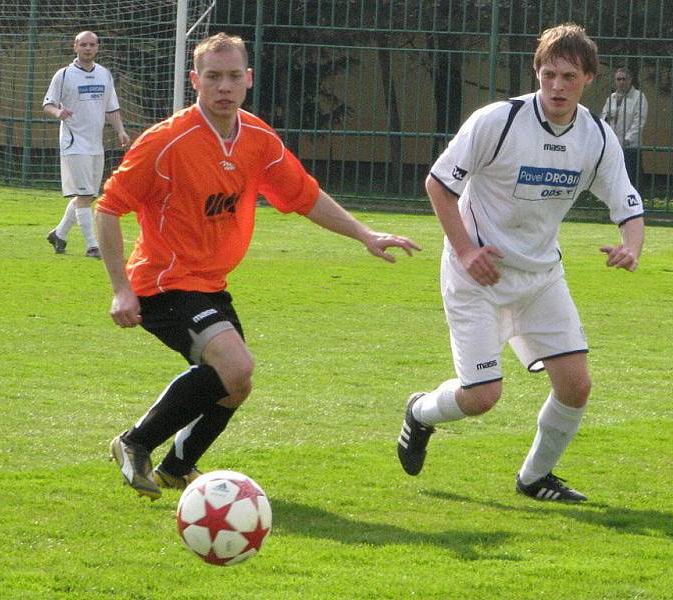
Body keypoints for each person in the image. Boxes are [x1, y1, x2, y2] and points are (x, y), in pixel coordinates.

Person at [96, 32, 421, 500]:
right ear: (195, 81)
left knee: (237, 384)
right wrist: (120, 288)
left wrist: (365, 234)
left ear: (248, 80)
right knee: (235, 364)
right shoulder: (166, 141)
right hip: (163, 282)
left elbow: (304, 195)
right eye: (213, 77)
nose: (223, 87)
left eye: (233, 77)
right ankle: (135, 442)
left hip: (210, 285)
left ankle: (175, 468)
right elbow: (108, 208)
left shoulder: (257, 138)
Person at [397, 23, 644, 503]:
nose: (556, 86)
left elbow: (628, 205)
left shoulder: (595, 136)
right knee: (482, 397)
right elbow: (439, 184)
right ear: (537, 72)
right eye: (548, 74)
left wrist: (631, 246)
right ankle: (420, 412)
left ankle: (535, 478)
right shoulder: (498, 120)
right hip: (477, 277)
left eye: (568, 76)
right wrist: (467, 251)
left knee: (576, 386)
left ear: (588, 78)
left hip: (541, 278)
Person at [43, 30, 130, 259]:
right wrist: (58, 112)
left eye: (92, 45)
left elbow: (111, 107)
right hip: (73, 142)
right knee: (84, 195)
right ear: (75, 47)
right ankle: (93, 246)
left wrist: (120, 130)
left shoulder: (104, 74)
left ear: (98, 48)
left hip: (95, 144)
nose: (88, 48)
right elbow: (48, 104)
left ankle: (59, 234)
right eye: (83, 45)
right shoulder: (64, 75)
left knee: (88, 195)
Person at [601, 67, 648, 189]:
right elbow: (604, 118)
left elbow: (639, 121)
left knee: (631, 176)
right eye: (618, 79)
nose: (621, 82)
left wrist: (628, 139)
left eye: (624, 79)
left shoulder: (639, 97)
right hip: (613, 144)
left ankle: (634, 202)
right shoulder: (611, 98)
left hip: (630, 146)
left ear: (630, 80)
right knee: (614, 176)